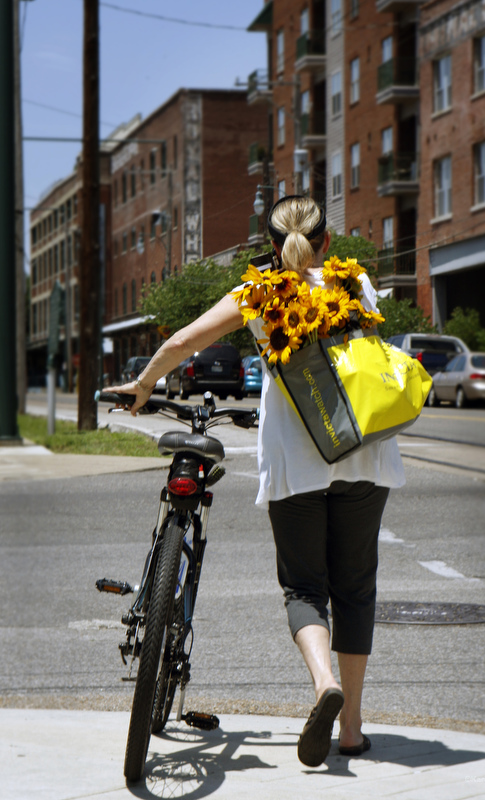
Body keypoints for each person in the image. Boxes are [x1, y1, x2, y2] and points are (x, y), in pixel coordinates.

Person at [107, 195, 405, 768]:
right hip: (366, 455)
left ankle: (323, 685)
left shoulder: (258, 293)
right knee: (355, 588)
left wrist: (143, 386)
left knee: (304, 590)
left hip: (296, 461)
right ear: (327, 243)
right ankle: (351, 730)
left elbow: (182, 343)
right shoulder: (356, 282)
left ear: (270, 247)